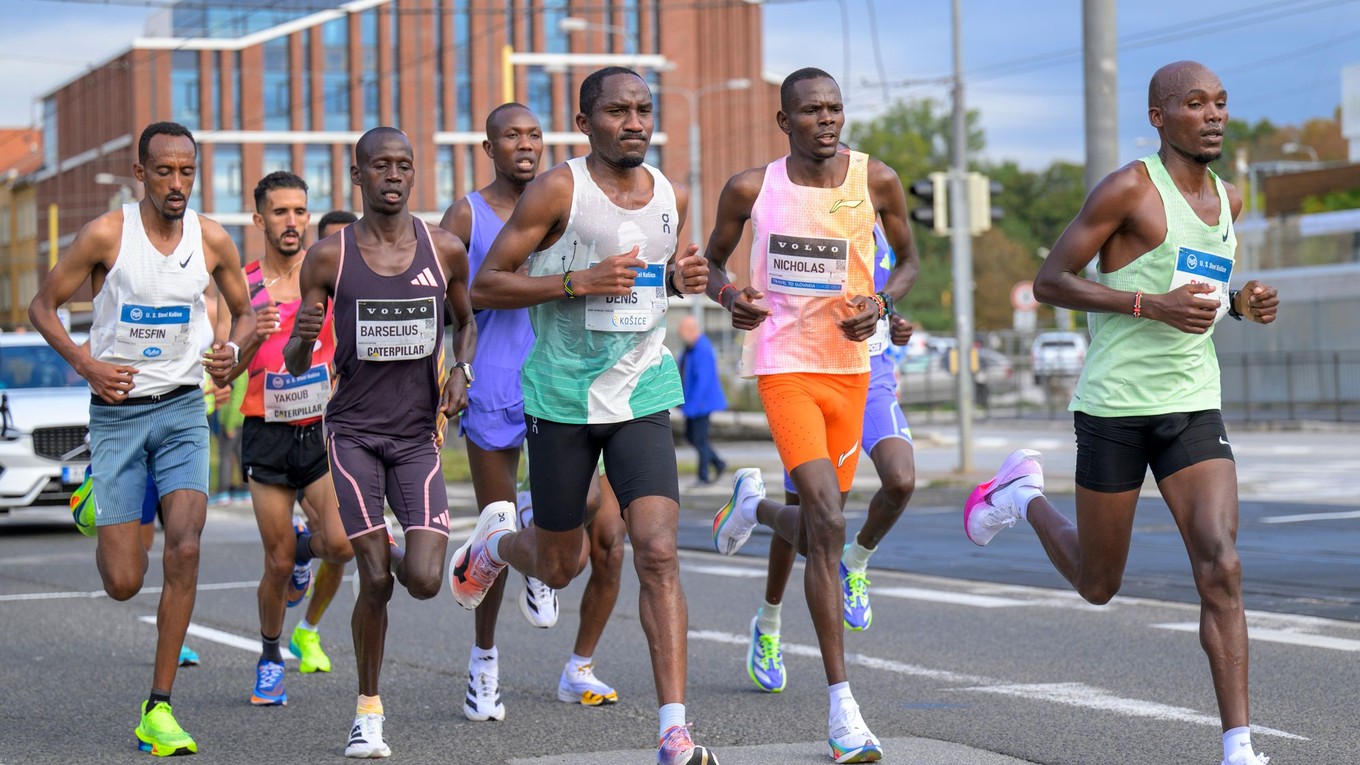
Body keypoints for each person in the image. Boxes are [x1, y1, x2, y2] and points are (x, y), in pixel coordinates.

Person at [962, 61, 1278, 765]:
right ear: (1160, 117)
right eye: (1195, 104)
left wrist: (1239, 302)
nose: (1215, 115)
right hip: (1114, 409)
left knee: (1221, 564)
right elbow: (1050, 280)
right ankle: (1024, 497)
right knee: (1099, 583)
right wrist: (1147, 305)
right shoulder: (1130, 188)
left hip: (1192, 403)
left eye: (1222, 103)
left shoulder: (1231, 196)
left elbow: (1198, 289)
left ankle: (1239, 745)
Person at [453, 67, 717, 765]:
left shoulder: (671, 193)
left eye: (643, 109)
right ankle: (494, 547)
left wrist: (693, 278)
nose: (633, 122)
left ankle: (673, 728)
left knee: (656, 549)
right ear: (585, 121)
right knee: (560, 563)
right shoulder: (557, 189)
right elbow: (487, 284)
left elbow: (670, 268)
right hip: (563, 400)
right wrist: (575, 281)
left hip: (642, 393)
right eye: (617, 111)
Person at [703, 68, 919, 764]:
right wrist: (729, 294)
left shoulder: (876, 179)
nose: (826, 121)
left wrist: (881, 305)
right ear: (784, 120)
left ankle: (757, 524)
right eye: (811, 111)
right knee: (826, 519)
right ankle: (843, 708)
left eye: (835, 109)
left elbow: (909, 260)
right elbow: (710, 264)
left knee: (809, 519)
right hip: (784, 363)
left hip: (851, 371)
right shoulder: (750, 187)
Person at [28, 120, 257, 756]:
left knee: (184, 548)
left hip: (184, 409)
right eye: (164, 171)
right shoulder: (106, 235)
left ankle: (158, 708)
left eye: (187, 171)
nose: (177, 183)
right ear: (141, 174)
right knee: (124, 582)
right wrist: (86, 363)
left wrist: (232, 350)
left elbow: (242, 310)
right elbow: (41, 307)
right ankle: (95, 498)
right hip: (119, 413)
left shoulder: (211, 239)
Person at [285, 126, 474, 759]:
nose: (393, 176)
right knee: (375, 577)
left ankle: (392, 540)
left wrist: (461, 371)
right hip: (353, 434)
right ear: (358, 175)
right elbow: (292, 361)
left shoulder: (444, 249)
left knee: (421, 578)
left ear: (413, 175)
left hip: (419, 437)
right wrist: (300, 335)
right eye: (380, 166)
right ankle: (368, 712)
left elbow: (467, 324)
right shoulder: (328, 257)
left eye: (404, 166)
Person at [438, 102, 624, 722]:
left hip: (564, 379)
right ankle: (483, 665)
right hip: (493, 377)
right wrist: (451, 373)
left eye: (534, 134)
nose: (526, 144)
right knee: (492, 527)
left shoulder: (565, 205)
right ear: (488, 148)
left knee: (595, 510)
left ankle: (536, 535)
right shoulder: (466, 213)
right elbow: (442, 307)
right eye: (511, 135)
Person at [748, 226, 917, 697]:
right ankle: (769, 623)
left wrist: (893, 322)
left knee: (901, 481)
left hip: (873, 376)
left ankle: (856, 561)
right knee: (803, 525)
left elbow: (881, 294)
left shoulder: (880, 220)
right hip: (813, 376)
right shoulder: (810, 221)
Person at [214, 171, 356, 706]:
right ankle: (270, 655)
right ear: (260, 220)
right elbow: (227, 372)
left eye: (299, 211)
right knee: (275, 565)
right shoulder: (243, 284)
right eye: (280, 212)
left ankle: (305, 548)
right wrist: (253, 337)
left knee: (340, 545)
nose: (292, 222)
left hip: (320, 431)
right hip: (266, 432)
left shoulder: (327, 275)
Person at [676, 315, 727, 485]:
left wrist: (691, 406)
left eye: (682, 330)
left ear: (691, 330)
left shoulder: (702, 348)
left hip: (701, 404)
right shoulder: (690, 348)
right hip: (693, 403)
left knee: (699, 438)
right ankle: (717, 464)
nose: (680, 334)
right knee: (693, 437)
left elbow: (703, 382)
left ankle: (704, 474)